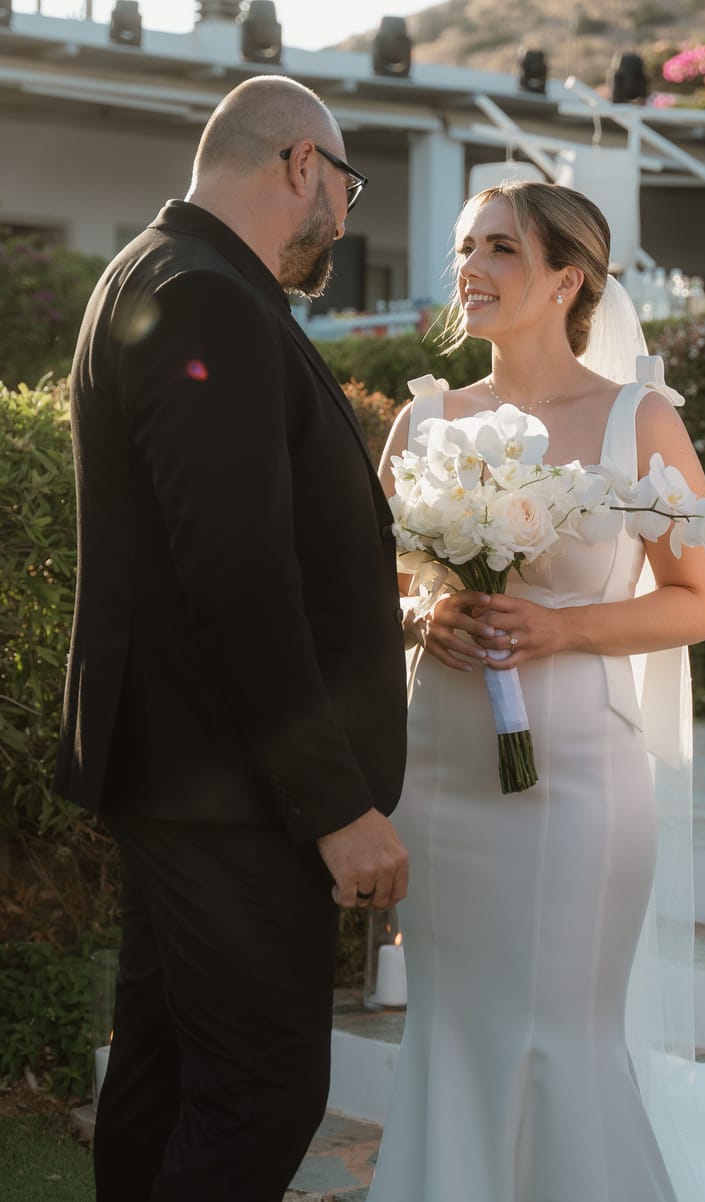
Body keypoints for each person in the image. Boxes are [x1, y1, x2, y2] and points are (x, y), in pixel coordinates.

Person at [54, 75, 409, 1202]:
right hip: (229, 789)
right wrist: (335, 804)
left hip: (185, 776)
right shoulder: (205, 293)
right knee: (262, 1088)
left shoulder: (164, 272)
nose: (342, 223)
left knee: (163, 1082)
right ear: (301, 163)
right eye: (343, 187)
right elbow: (238, 577)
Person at [369, 180, 705, 1202]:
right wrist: (417, 619)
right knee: (451, 1025)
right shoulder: (422, 425)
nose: (470, 269)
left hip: (574, 778)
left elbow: (693, 599)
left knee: (556, 1031)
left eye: (501, 250)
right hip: (438, 775)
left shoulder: (637, 420)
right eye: (464, 248)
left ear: (567, 278)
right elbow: (366, 598)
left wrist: (563, 627)